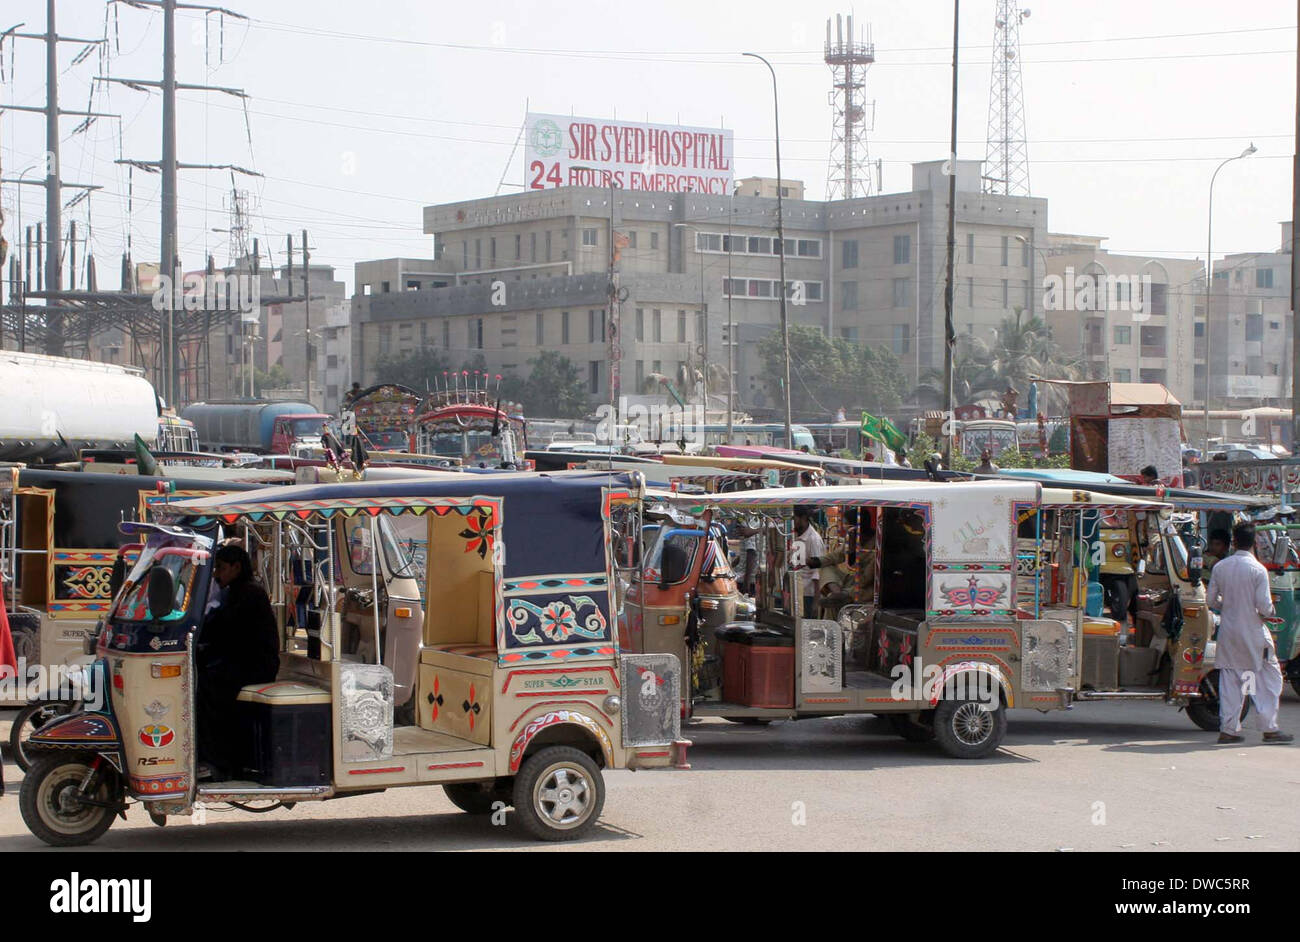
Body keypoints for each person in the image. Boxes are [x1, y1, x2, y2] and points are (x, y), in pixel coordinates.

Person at [196, 542, 282, 778]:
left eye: (221, 568)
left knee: (209, 691)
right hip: (240, 660)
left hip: (254, 666)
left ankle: (220, 764)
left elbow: (226, 631)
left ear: (236, 567)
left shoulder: (249, 593)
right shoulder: (234, 591)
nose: (216, 574)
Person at [1204, 523, 1293, 744]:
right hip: (1253, 632)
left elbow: (1210, 601)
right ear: (1253, 542)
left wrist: (1228, 605)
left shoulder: (1221, 567)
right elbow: (1264, 607)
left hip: (1229, 632)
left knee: (1231, 681)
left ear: (1233, 542)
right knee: (1268, 679)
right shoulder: (1258, 570)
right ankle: (1269, 728)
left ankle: (1229, 730)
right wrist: (1271, 611)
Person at [791, 506, 825, 619]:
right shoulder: (796, 535)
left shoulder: (813, 539)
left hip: (808, 595)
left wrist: (816, 603)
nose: (792, 522)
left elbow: (817, 573)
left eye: (794, 519)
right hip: (797, 591)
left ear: (803, 518)